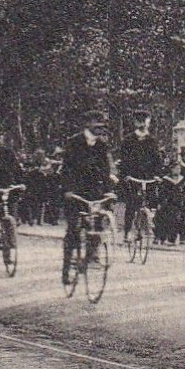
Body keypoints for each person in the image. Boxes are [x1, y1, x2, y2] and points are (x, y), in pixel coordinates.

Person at [60, 110, 115, 284]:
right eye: (96, 124)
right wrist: (68, 190)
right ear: (87, 124)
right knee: (73, 231)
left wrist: (108, 190)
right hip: (75, 194)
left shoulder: (102, 146)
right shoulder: (73, 143)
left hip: (94, 193)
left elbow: (105, 170)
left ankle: (90, 256)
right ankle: (67, 269)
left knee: (97, 226)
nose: (100, 128)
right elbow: (67, 169)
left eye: (102, 125)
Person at [118, 110, 165, 241]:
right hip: (133, 177)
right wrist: (126, 174)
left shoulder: (152, 140)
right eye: (139, 121)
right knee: (131, 204)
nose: (142, 123)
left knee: (152, 201)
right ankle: (127, 231)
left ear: (148, 123)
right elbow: (124, 159)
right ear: (135, 123)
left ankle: (149, 226)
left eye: (145, 120)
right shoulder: (128, 140)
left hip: (149, 177)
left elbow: (157, 160)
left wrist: (157, 175)